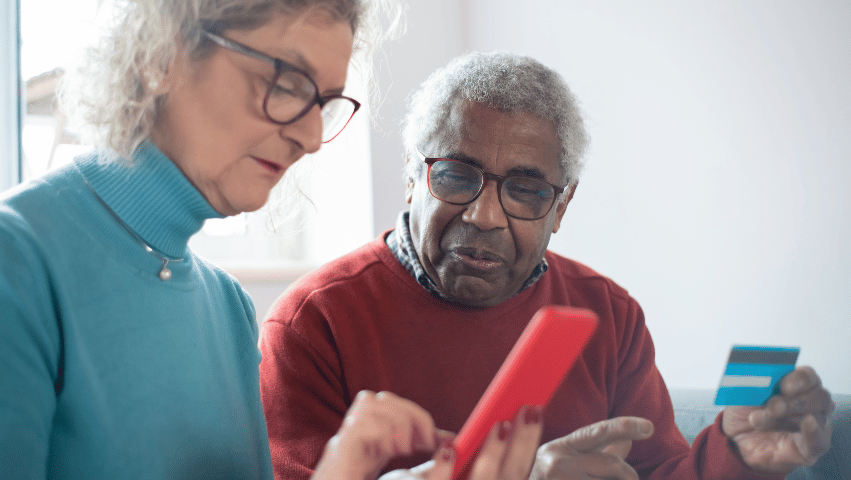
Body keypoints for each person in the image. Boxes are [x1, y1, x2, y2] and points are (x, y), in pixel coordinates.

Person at [0, 0, 544, 478]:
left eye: (325, 104)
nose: (309, 139)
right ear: (160, 55)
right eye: (286, 83)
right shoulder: (18, 260)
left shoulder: (227, 308)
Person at [258, 51, 836, 479]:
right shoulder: (314, 322)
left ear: (561, 207)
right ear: (412, 177)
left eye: (526, 191)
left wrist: (736, 457)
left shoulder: (606, 314)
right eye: (456, 176)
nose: (485, 215)